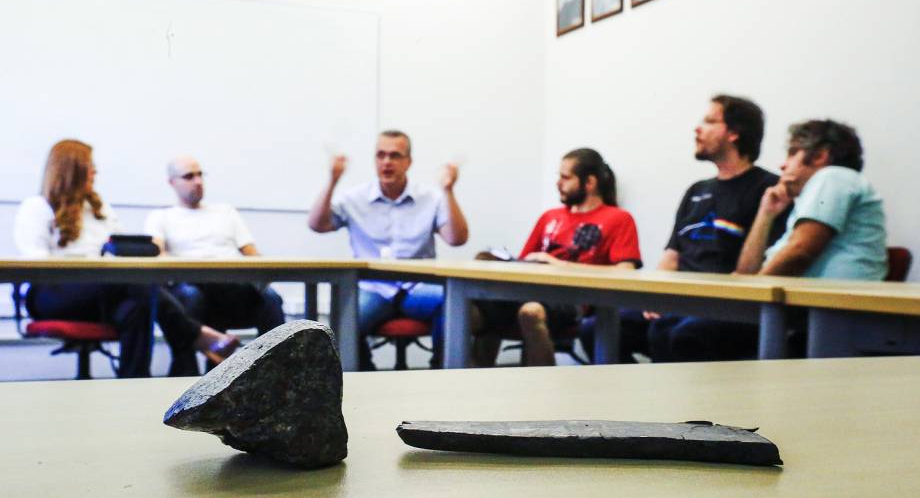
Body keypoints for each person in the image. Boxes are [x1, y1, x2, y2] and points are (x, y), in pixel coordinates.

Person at [13, 140, 239, 378]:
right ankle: (197, 335)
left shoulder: (100, 209)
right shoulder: (37, 207)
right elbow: (37, 264)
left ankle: (134, 382)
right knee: (134, 283)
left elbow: (120, 248)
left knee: (137, 306)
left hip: (104, 291)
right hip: (53, 293)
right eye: (89, 165)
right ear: (71, 169)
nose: (95, 171)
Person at [641, 94, 788, 362]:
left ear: (734, 133)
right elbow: (672, 255)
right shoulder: (696, 191)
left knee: (680, 335)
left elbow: (752, 273)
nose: (698, 128)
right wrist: (654, 296)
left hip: (730, 307)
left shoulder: (768, 190)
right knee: (602, 326)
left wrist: (766, 214)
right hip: (680, 301)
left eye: (709, 121)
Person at [308, 129, 469, 370]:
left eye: (395, 155)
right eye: (380, 155)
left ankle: (441, 373)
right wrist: (332, 181)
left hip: (419, 287)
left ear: (408, 162)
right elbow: (317, 225)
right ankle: (363, 375)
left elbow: (456, 239)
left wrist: (448, 191)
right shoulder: (355, 198)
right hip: (373, 289)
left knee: (452, 305)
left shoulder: (430, 198)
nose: (387, 162)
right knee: (344, 322)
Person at [472, 148, 642, 367]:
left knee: (530, 311)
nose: (558, 183)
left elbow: (625, 270)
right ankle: (470, 381)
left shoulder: (618, 218)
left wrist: (559, 265)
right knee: (474, 306)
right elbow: (525, 260)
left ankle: (543, 390)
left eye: (565, 177)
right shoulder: (550, 217)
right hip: (529, 289)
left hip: (572, 299)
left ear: (589, 182)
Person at [145, 155, 286, 366]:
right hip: (191, 287)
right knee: (191, 296)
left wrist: (262, 274)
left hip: (231, 287)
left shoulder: (225, 212)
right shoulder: (161, 217)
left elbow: (252, 254)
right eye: (189, 176)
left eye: (200, 174)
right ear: (172, 182)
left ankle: (279, 369)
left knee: (270, 298)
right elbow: (157, 254)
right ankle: (184, 373)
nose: (198, 181)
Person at [736, 119, 887, 279]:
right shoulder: (817, 194)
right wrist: (766, 214)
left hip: (830, 302)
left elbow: (800, 251)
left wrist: (753, 292)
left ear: (819, 156)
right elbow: (745, 274)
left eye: (793, 153)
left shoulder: (834, 176)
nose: (782, 165)